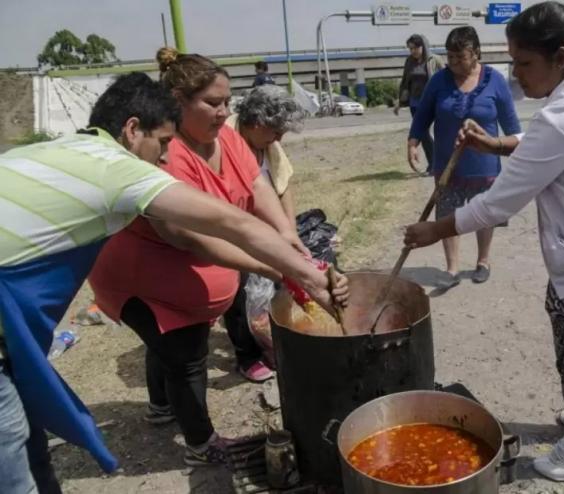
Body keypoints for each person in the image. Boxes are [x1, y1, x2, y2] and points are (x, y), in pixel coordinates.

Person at [0, 73, 347, 494]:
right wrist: (306, 275)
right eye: (162, 143)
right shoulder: (117, 168)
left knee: (29, 442)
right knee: (13, 466)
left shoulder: (66, 148)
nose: (165, 158)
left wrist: (291, 254)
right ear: (131, 130)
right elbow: (229, 221)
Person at [404, 1, 564, 481]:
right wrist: (495, 144)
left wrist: (433, 229)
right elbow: (546, 142)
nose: (515, 74)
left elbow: (497, 203)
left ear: (560, 57)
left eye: (523, 63)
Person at [89, 49, 343, 466]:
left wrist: (290, 240)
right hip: (141, 273)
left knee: (165, 345)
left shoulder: (226, 138)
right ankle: (202, 445)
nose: (225, 112)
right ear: (177, 101)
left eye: (228, 101)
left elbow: (259, 190)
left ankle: (161, 407)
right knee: (184, 354)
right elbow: (188, 238)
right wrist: (278, 265)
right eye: (212, 103)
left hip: (184, 268)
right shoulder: (164, 154)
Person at [408, 26, 521, 288]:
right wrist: (413, 141)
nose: (455, 63)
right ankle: (452, 268)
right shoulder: (438, 81)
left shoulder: (494, 81)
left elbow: (512, 125)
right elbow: (423, 114)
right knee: (448, 215)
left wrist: (515, 149)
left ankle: (483, 261)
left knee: (485, 214)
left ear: (476, 53)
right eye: (451, 57)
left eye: (461, 57)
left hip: (485, 164)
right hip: (447, 163)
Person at [224, 84, 305, 379]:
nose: (279, 139)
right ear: (256, 124)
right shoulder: (225, 141)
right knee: (238, 292)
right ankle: (246, 356)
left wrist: (290, 233)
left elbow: (282, 186)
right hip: (234, 229)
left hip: (264, 230)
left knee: (271, 290)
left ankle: (272, 343)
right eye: (276, 132)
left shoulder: (268, 143)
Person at [395, 34, 444, 174]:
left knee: (431, 132)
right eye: (410, 49)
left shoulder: (434, 60)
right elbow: (405, 81)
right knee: (422, 133)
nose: (413, 51)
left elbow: (446, 76)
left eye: (415, 48)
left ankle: (436, 164)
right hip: (415, 102)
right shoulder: (409, 61)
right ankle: (434, 165)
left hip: (431, 102)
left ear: (423, 46)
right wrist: (401, 101)